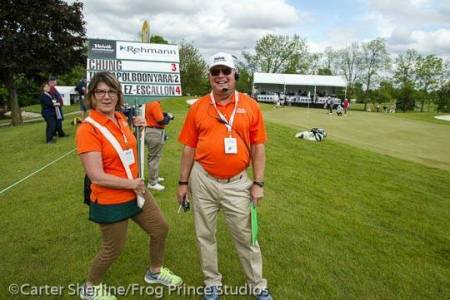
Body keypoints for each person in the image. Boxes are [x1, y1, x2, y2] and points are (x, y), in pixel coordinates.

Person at [76, 72, 182, 300]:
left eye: (111, 91)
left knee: (160, 229)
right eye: (101, 92)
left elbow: (124, 150)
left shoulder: (121, 118)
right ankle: (89, 288)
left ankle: (154, 272)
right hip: (111, 198)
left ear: (118, 95)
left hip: (135, 190)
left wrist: (138, 128)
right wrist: (131, 183)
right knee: (112, 249)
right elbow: (96, 176)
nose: (107, 96)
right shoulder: (88, 129)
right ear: (92, 96)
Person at [177, 52, 273, 300]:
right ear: (209, 77)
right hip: (203, 180)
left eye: (226, 72)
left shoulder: (250, 105)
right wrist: (183, 182)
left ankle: (257, 286)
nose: (221, 76)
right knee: (204, 235)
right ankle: (212, 283)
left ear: (234, 76)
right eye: (215, 72)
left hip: (237, 183)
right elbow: (189, 148)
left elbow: (258, 147)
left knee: (246, 237)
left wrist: (258, 183)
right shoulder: (198, 106)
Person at [144, 101, 174, 191]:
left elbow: (155, 114)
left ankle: (154, 177)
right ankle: (152, 182)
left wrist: (165, 114)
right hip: (155, 132)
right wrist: (169, 117)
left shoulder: (148, 102)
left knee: (152, 156)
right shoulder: (155, 103)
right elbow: (161, 121)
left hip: (149, 130)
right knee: (154, 157)